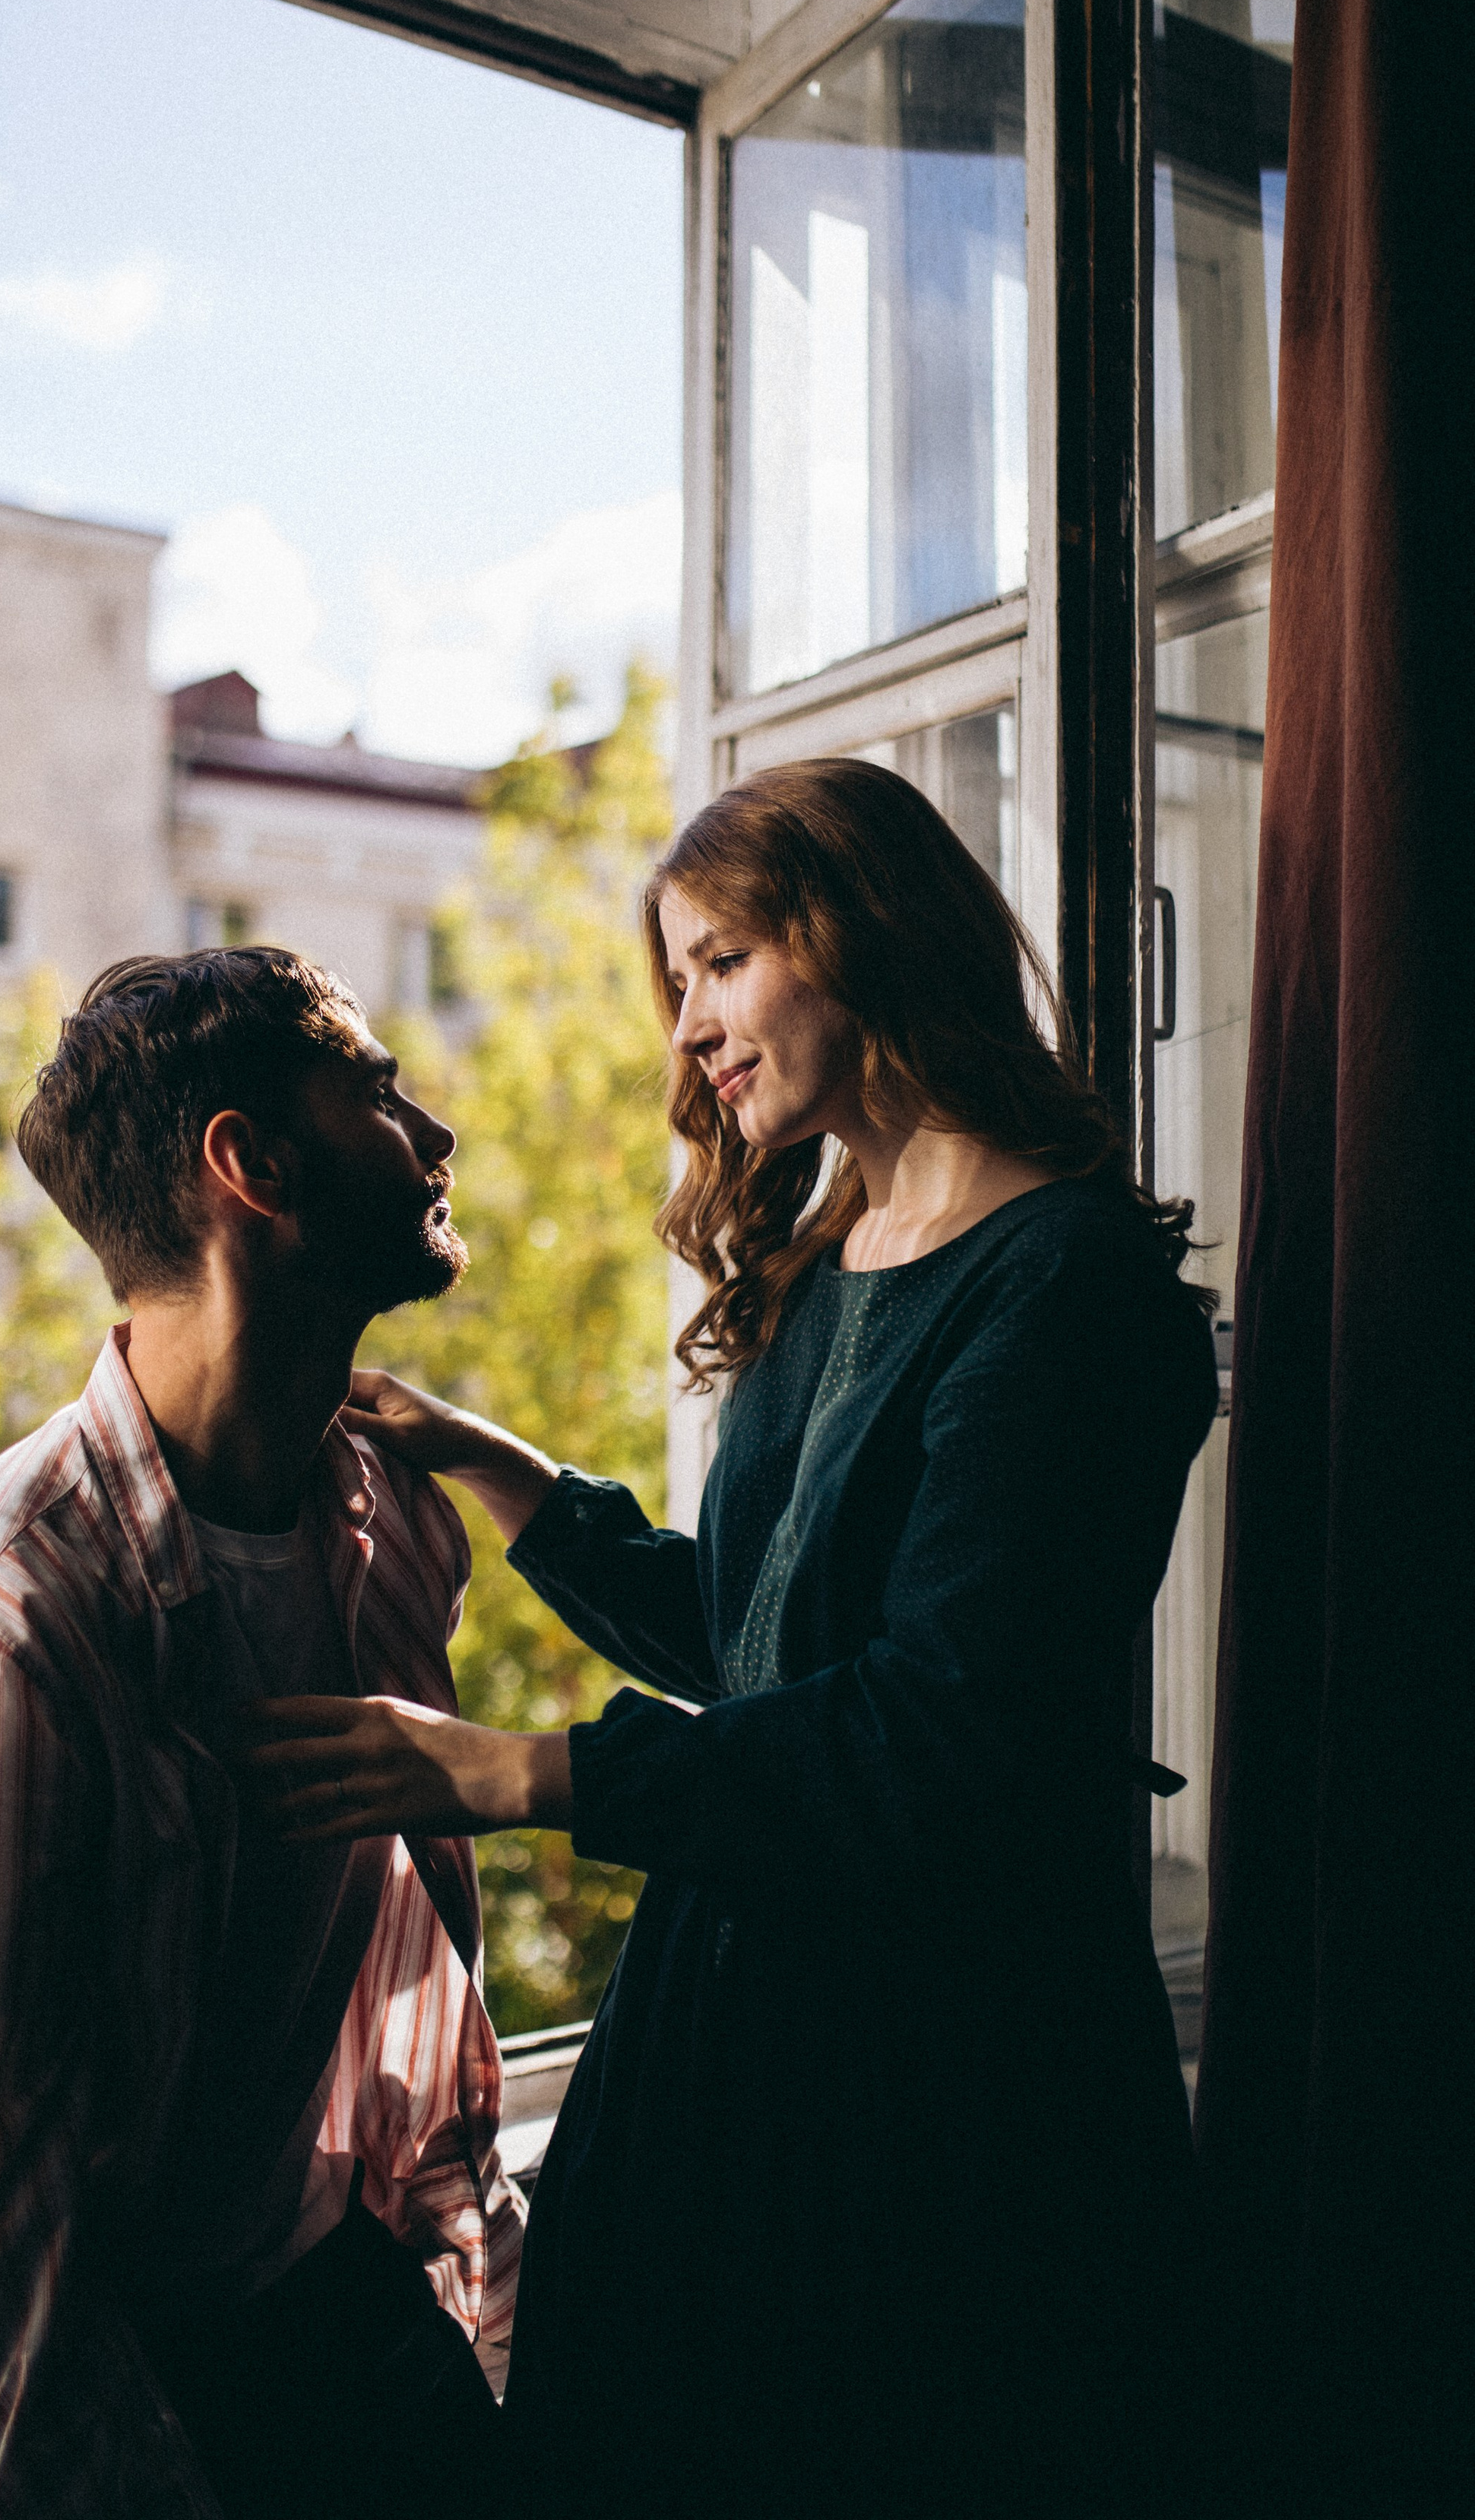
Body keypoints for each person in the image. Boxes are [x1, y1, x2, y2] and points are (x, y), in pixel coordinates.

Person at [243, 760, 1221, 2518]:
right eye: (674, 982)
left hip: (936, 2087)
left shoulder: (1062, 1286)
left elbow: (931, 1733)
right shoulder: (840, 1247)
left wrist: (514, 1773)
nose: (687, 1027)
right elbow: (768, 1636)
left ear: (857, 935)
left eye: (716, 962)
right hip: (743, 2017)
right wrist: (500, 1471)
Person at [0, 950, 523, 2520]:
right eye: (379, 1090)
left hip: (331, 2293)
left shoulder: (388, 1519)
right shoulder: (20, 1602)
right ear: (251, 1163)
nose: (430, 1128)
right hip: (127, 2370)